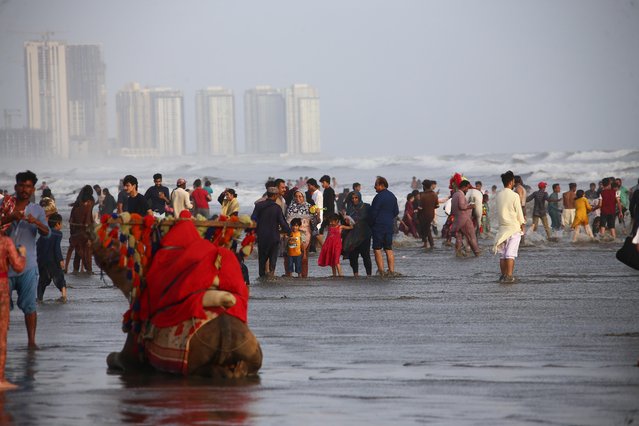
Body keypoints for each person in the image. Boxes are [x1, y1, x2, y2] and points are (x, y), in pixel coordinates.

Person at [0, 170, 50, 349]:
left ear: (33, 189)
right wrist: (9, 217)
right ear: (16, 186)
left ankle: (31, 342)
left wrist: (35, 222)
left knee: (29, 306)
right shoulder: (4, 205)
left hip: (28, 266)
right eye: (21, 185)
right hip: (4, 266)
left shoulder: (36, 210)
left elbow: (47, 233)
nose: (24, 189)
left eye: (28, 186)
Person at [0, 232, 26, 390]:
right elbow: (18, 266)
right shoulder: (5, 242)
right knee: (1, 334)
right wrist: (22, 255)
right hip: (1, 288)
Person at [251, 186, 290, 278]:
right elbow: (282, 222)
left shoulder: (258, 205)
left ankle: (261, 275)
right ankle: (271, 275)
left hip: (262, 236)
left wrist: (253, 232)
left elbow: (253, 219)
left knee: (262, 258)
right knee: (272, 258)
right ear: (275, 195)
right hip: (273, 237)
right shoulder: (277, 208)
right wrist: (289, 231)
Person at [494, 170, 525, 283]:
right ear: (511, 182)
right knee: (510, 254)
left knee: (503, 255)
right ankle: (509, 276)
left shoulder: (498, 195)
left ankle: (503, 276)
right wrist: (522, 224)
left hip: (502, 229)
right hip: (513, 228)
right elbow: (519, 212)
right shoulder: (514, 195)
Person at [369, 176, 399, 276]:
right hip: (389, 225)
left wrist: (371, 224)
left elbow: (373, 213)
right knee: (388, 248)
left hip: (378, 225)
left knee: (377, 248)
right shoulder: (392, 196)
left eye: (376, 185)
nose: (374, 187)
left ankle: (381, 271)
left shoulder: (378, 197)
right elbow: (396, 212)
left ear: (382, 185)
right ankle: (391, 270)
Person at [37, 213, 67, 302]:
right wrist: (60, 260)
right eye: (61, 223)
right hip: (53, 261)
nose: (61, 225)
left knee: (42, 280)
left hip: (42, 260)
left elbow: (38, 246)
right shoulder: (58, 234)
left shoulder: (44, 232)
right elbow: (56, 248)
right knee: (59, 278)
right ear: (57, 224)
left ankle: (39, 298)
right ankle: (64, 296)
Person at [285, 190, 315, 277]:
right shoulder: (290, 207)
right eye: (296, 196)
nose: (298, 198)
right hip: (293, 235)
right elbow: (287, 221)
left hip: (306, 235)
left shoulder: (309, 207)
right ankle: (289, 275)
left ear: (303, 197)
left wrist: (317, 213)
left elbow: (314, 222)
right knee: (289, 255)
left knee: (304, 256)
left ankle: (303, 275)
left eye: (300, 196)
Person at [67, 185, 95, 274]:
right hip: (85, 229)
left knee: (78, 250)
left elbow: (72, 219)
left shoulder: (77, 203)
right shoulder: (90, 202)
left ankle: (75, 269)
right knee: (87, 250)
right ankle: (89, 269)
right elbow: (88, 217)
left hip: (76, 230)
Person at [343, 193, 372, 276]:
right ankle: (355, 274)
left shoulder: (366, 207)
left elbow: (370, 219)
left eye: (356, 198)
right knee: (353, 256)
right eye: (352, 198)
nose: (354, 200)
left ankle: (369, 274)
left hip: (364, 234)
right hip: (353, 235)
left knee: (365, 255)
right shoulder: (350, 208)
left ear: (359, 198)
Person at [451, 180, 480, 257]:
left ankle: (458, 253)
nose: (468, 190)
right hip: (464, 219)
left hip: (457, 219)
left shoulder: (455, 195)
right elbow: (462, 206)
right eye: (467, 188)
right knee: (471, 237)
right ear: (464, 187)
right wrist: (471, 206)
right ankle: (477, 253)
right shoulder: (460, 195)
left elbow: (453, 209)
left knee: (459, 236)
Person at [417, 179, 438, 250]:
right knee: (427, 228)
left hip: (423, 215)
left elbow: (420, 207)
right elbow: (437, 206)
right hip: (431, 215)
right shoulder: (434, 194)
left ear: (424, 186)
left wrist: (417, 215)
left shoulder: (422, 195)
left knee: (424, 229)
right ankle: (429, 244)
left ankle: (428, 244)